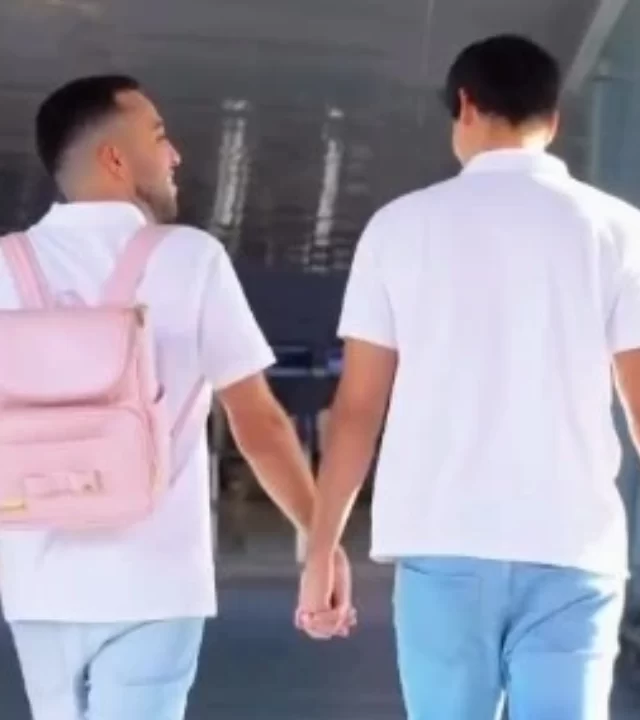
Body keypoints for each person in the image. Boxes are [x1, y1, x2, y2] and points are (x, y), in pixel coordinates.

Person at [297, 34, 640, 720]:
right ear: (553, 119)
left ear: (466, 105)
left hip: (440, 542)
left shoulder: (398, 228)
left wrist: (321, 548)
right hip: (573, 545)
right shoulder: (620, 230)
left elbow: (358, 409)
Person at [0, 75, 352, 720]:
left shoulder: (6, 265)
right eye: (158, 137)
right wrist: (319, 540)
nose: (176, 155)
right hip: (157, 582)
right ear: (114, 158)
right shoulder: (190, 258)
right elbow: (259, 423)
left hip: (35, 584)